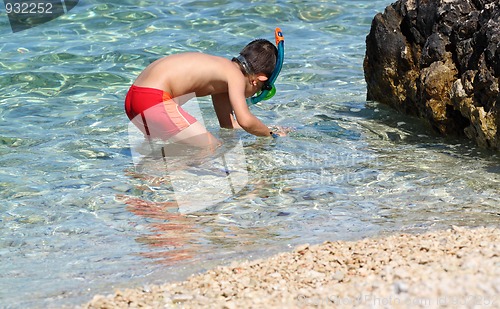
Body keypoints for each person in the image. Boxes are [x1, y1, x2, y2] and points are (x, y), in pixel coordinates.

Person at [124, 31, 286, 149]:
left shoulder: (223, 74)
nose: (255, 94)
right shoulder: (235, 75)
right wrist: (270, 136)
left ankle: (143, 185)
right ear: (259, 78)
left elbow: (228, 125)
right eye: (261, 90)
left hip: (134, 99)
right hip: (154, 100)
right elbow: (245, 120)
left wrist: (269, 127)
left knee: (172, 151)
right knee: (212, 148)